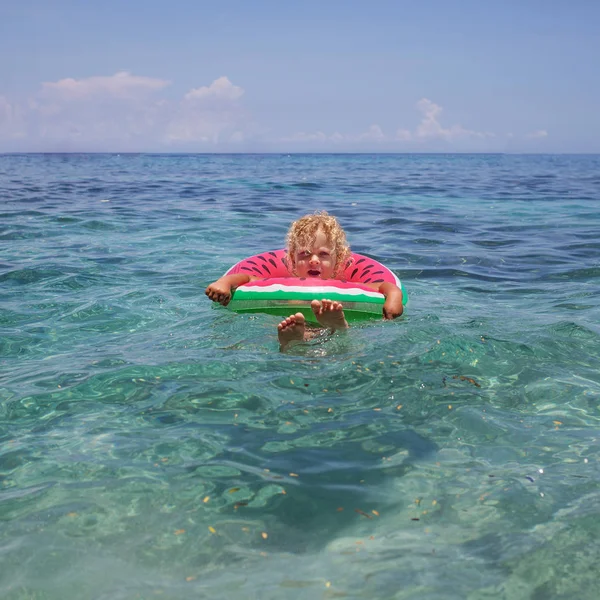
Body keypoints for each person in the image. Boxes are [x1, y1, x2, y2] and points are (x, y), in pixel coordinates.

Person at [205, 212, 404, 350]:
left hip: (326, 317)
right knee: (288, 333)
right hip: (296, 321)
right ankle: (294, 340)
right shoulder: (281, 283)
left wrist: (394, 295)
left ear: (338, 261)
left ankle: (334, 327)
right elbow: (247, 278)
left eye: (323, 254)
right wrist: (225, 282)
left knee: (337, 343)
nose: (314, 260)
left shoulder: (347, 287)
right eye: (305, 254)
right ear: (291, 259)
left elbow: (382, 286)